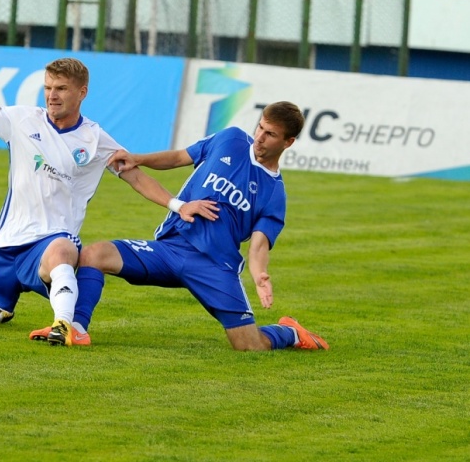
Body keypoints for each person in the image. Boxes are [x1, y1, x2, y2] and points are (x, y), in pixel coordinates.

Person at [0, 58, 218, 332]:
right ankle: (2, 311)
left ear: (81, 92)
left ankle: (65, 325)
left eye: (61, 89)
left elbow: (134, 177)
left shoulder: (95, 138)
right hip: (6, 245)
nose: (52, 95)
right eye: (48, 87)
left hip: (51, 241)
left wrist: (178, 205)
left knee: (63, 249)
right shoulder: (22, 119)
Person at [31, 101, 329, 350]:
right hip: (171, 249)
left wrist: (259, 273)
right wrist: (139, 159)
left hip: (214, 268)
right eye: (260, 127)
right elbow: (179, 157)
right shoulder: (232, 139)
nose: (260, 138)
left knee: (249, 345)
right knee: (93, 255)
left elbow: (260, 243)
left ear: (288, 142)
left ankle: (289, 332)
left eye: (271, 134)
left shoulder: (274, 193)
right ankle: (77, 329)